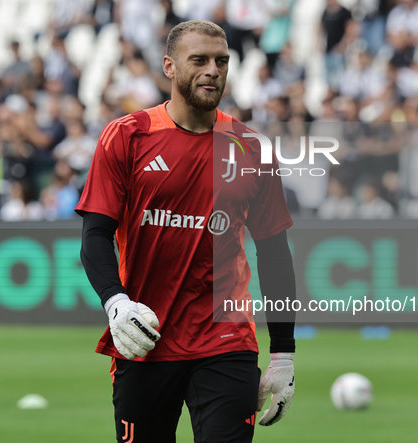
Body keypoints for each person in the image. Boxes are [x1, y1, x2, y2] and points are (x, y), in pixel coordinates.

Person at [76, 20, 296, 443]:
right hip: (144, 335)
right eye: (199, 60)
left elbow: (274, 252)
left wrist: (284, 351)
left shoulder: (251, 148)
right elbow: (96, 235)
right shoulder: (127, 137)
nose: (213, 70)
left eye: (221, 61)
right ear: (170, 67)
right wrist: (116, 303)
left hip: (225, 339)